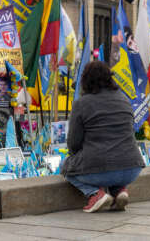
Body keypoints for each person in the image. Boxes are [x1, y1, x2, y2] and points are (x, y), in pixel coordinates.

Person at [61, 61, 145, 213]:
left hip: (99, 171)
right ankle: (119, 191)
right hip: (132, 168)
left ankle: (95, 195)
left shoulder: (81, 103)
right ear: (110, 78)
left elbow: (73, 144)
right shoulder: (124, 99)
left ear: (85, 81)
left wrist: (76, 158)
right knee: (113, 162)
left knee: (66, 167)